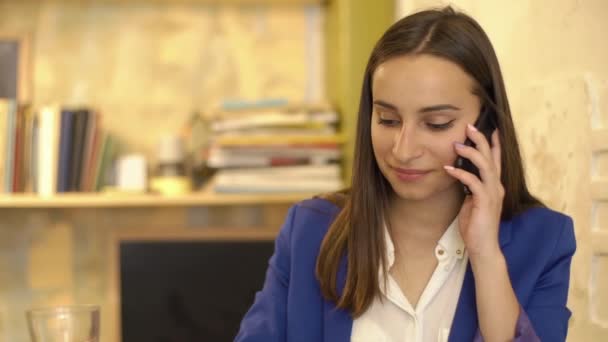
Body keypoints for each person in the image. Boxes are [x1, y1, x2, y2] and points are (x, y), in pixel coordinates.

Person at [235, 6, 576, 342]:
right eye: (388, 119)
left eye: (436, 124)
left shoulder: (544, 241)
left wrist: (486, 256)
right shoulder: (309, 230)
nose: (403, 149)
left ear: (486, 123)